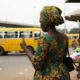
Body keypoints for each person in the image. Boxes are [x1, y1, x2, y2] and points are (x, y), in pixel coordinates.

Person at [20, 6, 70, 80]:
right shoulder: (65, 37)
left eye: (41, 21)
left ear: (45, 22)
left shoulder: (45, 39)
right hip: (63, 73)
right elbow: (63, 55)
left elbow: (37, 64)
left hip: (48, 75)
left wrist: (25, 48)